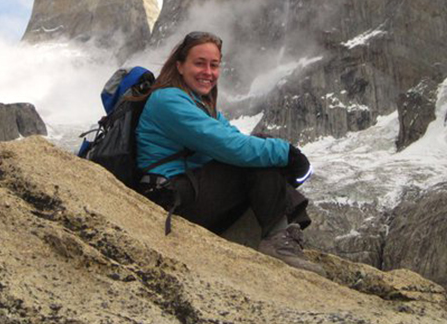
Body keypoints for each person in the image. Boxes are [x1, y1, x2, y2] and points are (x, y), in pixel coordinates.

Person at [135, 31, 322, 275]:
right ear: (180, 66)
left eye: (214, 65)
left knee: (261, 148)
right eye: (199, 63)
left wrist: (282, 153)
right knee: (259, 155)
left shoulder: (198, 102)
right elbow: (231, 147)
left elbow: (235, 139)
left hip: (187, 193)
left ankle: (282, 233)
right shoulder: (168, 100)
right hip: (169, 199)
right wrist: (289, 154)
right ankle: (278, 241)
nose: (208, 72)